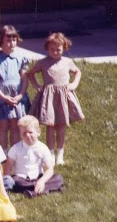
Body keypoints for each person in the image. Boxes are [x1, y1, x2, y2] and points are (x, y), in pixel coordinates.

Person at [26, 32, 84, 165]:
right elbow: (30, 74)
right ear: (47, 48)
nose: (55, 52)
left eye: (58, 49)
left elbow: (78, 72)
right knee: (50, 126)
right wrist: (37, 86)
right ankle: (50, 154)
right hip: (49, 98)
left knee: (61, 126)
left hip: (63, 97)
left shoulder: (67, 62)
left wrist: (74, 84)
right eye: (52, 49)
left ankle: (60, 154)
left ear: (64, 48)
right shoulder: (43, 62)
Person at [0, 25, 31, 150]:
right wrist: (3, 97)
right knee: (3, 125)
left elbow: (24, 78)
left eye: (14, 40)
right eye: (8, 40)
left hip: (16, 96)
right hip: (1, 97)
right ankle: (3, 152)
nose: (11, 43)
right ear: (1, 40)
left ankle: (14, 150)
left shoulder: (21, 59)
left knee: (15, 125)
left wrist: (21, 95)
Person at [3, 115, 64, 198]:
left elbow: (49, 169)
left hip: (38, 178)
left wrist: (41, 181)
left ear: (38, 132)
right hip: (21, 178)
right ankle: (39, 190)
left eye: (30, 132)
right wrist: (6, 182)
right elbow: (8, 167)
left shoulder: (43, 148)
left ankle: (34, 191)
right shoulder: (15, 148)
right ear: (20, 134)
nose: (28, 135)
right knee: (15, 181)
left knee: (58, 178)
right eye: (24, 133)